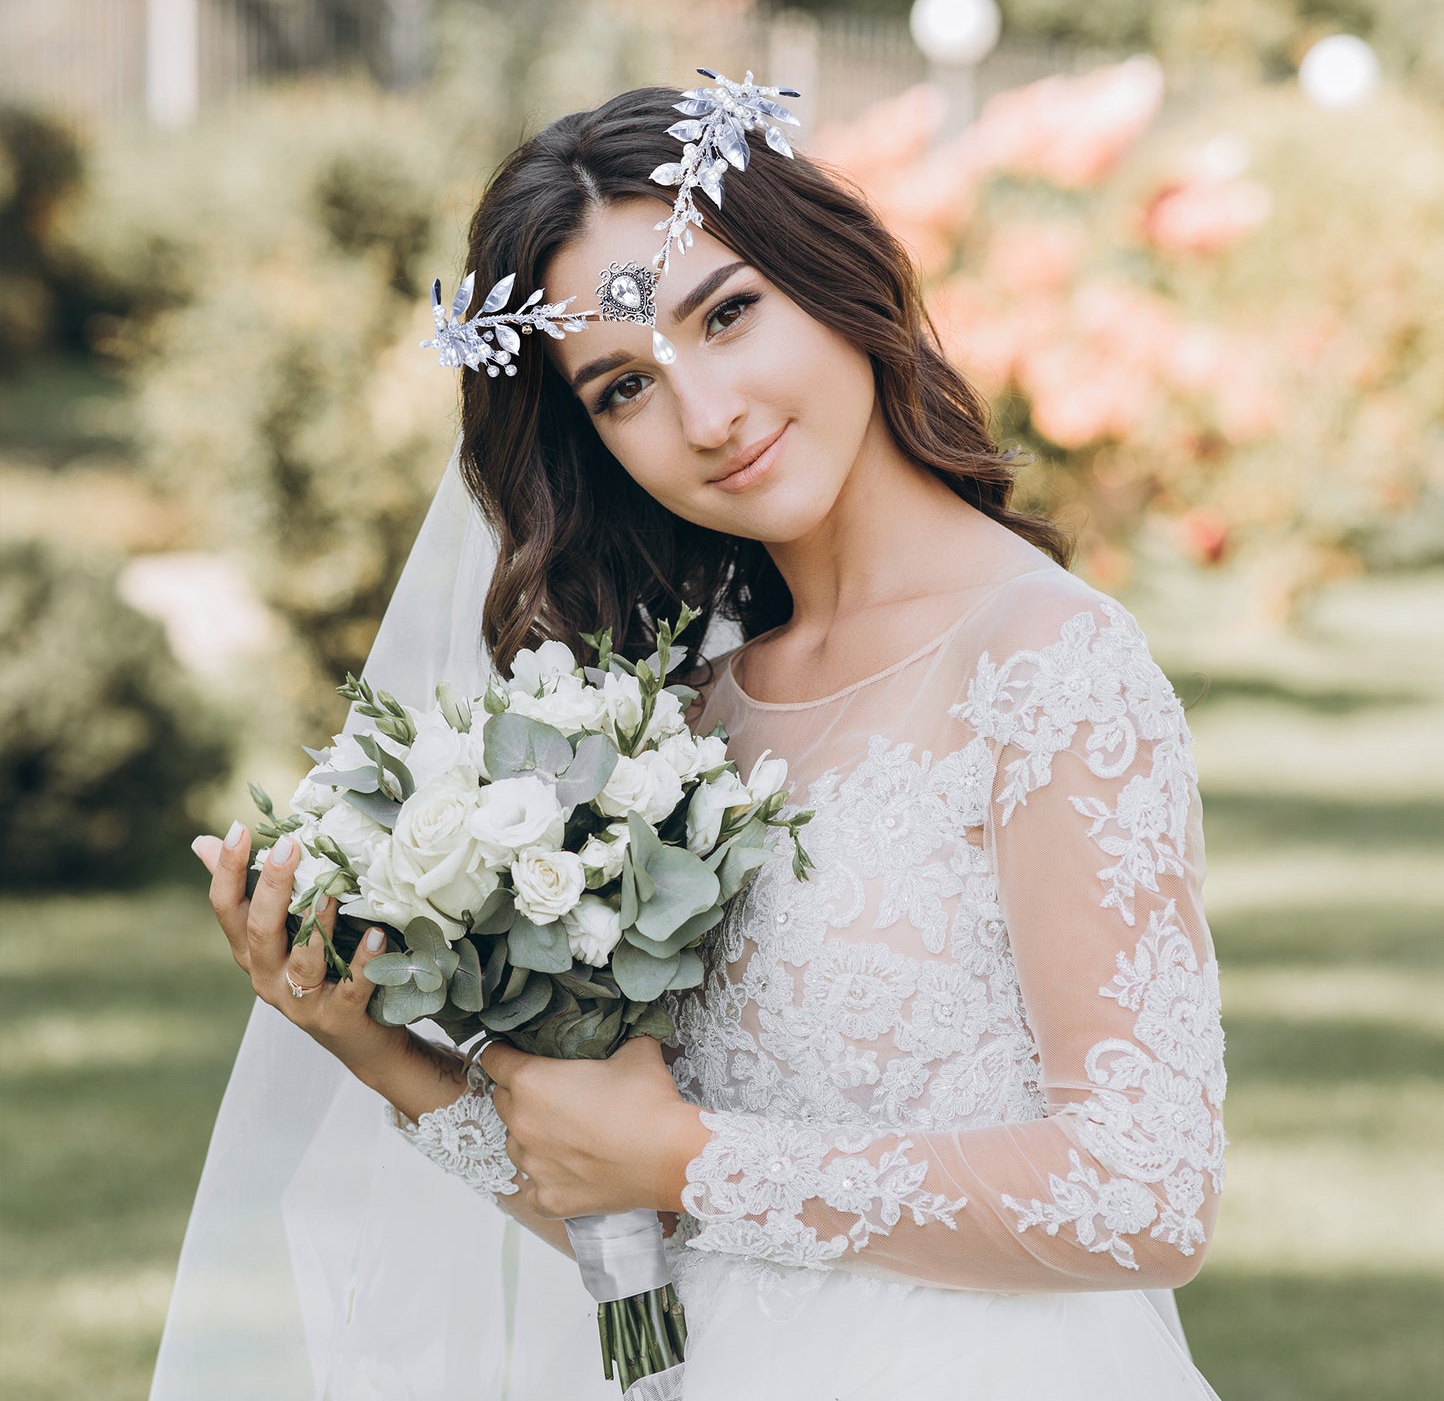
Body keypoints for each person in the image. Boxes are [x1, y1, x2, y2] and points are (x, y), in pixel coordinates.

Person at [170, 78, 1226, 1400]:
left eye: (726, 314)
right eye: (622, 386)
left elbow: (1146, 1192)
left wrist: (686, 1157)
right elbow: (632, 1219)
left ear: (830, 274)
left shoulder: (1043, 660)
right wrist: (375, 1048)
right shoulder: (679, 726)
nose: (707, 412)